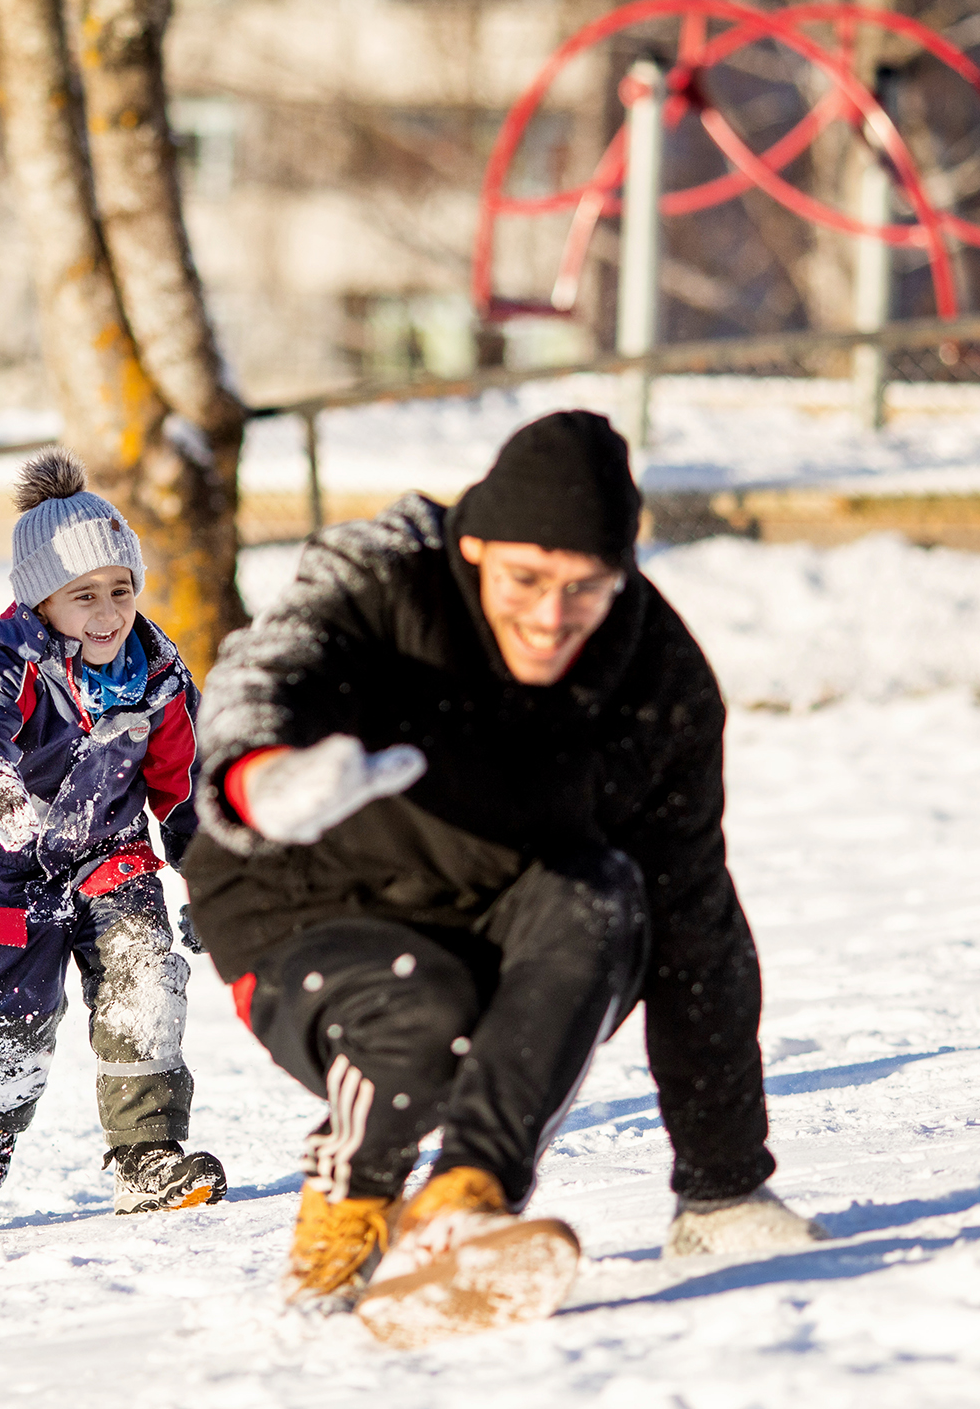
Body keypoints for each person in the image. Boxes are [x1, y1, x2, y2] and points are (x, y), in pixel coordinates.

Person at [180, 410, 822, 1343]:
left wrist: (721, 1182)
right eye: (526, 579)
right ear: (475, 545)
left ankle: (465, 1199)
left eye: (586, 588)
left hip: (500, 905)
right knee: (423, 1009)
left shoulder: (658, 676)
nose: (551, 616)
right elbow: (267, 663)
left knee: (606, 895)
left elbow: (693, 914)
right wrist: (262, 776)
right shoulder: (385, 566)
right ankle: (353, 1189)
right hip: (304, 896)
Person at [0, 449, 228, 1227]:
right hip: (8, 867)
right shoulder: (14, 661)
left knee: (146, 970)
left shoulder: (156, 674)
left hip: (108, 853)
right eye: (82, 595)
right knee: (10, 1029)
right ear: (41, 602)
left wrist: (218, 874)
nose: (107, 612)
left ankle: (147, 1153)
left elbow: (185, 784)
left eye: (120, 590)